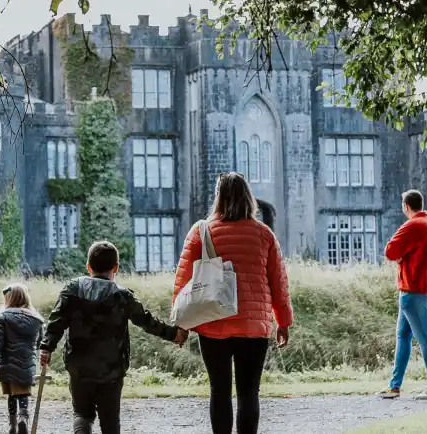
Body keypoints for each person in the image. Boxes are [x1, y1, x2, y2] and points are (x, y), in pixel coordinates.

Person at [173, 173, 295, 434]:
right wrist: (283, 321)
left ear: (218, 197)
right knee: (249, 393)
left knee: (219, 390)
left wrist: (181, 324)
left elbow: (183, 280)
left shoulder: (201, 231)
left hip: (212, 323)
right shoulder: (264, 234)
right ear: (248, 197)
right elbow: (278, 282)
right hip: (253, 327)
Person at [40, 241, 186, 434]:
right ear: (116, 267)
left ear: (88, 266)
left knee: (82, 414)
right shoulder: (123, 296)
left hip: (79, 367)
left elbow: (56, 321)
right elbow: (146, 321)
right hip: (111, 370)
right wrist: (174, 334)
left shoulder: (72, 289)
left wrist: (46, 347)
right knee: (110, 421)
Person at [378, 189, 427, 400]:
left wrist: (401, 257)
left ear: (406, 206)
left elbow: (390, 251)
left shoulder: (413, 225)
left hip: (413, 290)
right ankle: (394, 386)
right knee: (403, 336)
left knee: (424, 338)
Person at [0, 284, 44, 434]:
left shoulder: (3, 317)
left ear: (9, 298)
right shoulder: (37, 319)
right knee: (23, 392)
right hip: (27, 363)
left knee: (12, 393)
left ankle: (12, 425)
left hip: (7, 363)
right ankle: (23, 416)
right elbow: (40, 343)